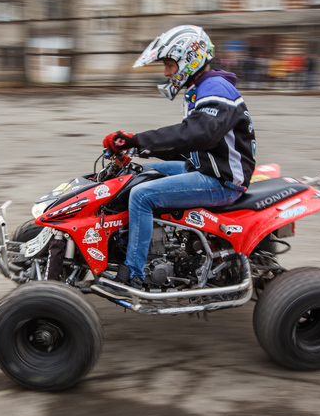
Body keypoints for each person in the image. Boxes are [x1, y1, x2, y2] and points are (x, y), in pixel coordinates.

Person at [94, 25, 256, 295]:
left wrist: (137, 140)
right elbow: (187, 144)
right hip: (202, 167)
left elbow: (196, 134)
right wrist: (135, 151)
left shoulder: (216, 88)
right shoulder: (201, 89)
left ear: (190, 58)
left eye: (170, 65)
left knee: (142, 196)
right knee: (136, 175)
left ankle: (133, 275)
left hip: (221, 181)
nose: (167, 72)